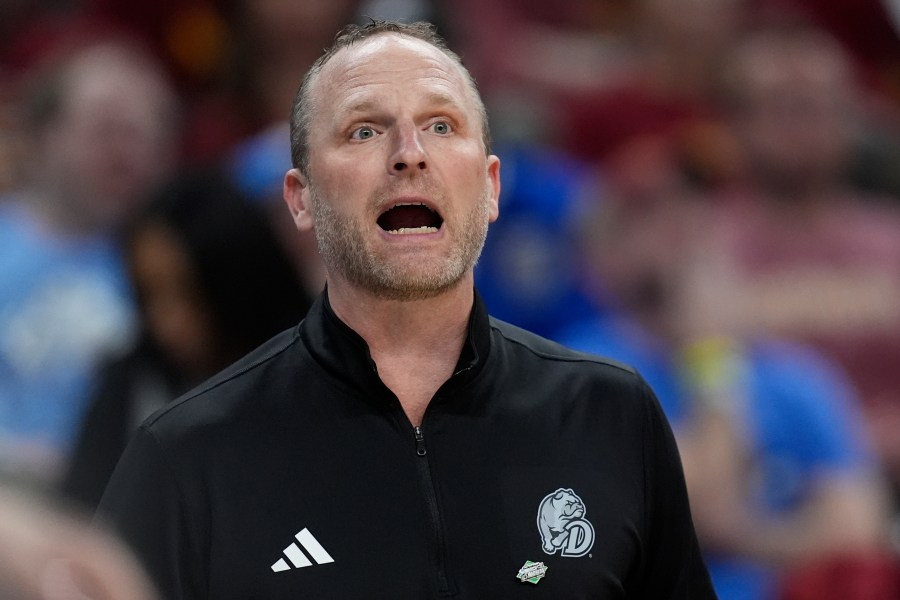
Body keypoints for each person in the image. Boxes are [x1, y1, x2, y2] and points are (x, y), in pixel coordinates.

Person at [96, 20, 716, 599]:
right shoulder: (187, 456)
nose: (410, 153)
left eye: (442, 126)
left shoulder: (611, 416)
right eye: (364, 130)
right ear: (301, 198)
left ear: (492, 187)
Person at [61, 169, 313, 511]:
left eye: (188, 293)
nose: (167, 323)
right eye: (149, 296)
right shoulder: (129, 385)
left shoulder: (316, 371)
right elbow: (83, 518)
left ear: (237, 282)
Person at [0, 34, 178, 483]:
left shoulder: (173, 265)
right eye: (105, 130)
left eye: (141, 134)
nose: (124, 155)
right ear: (43, 135)